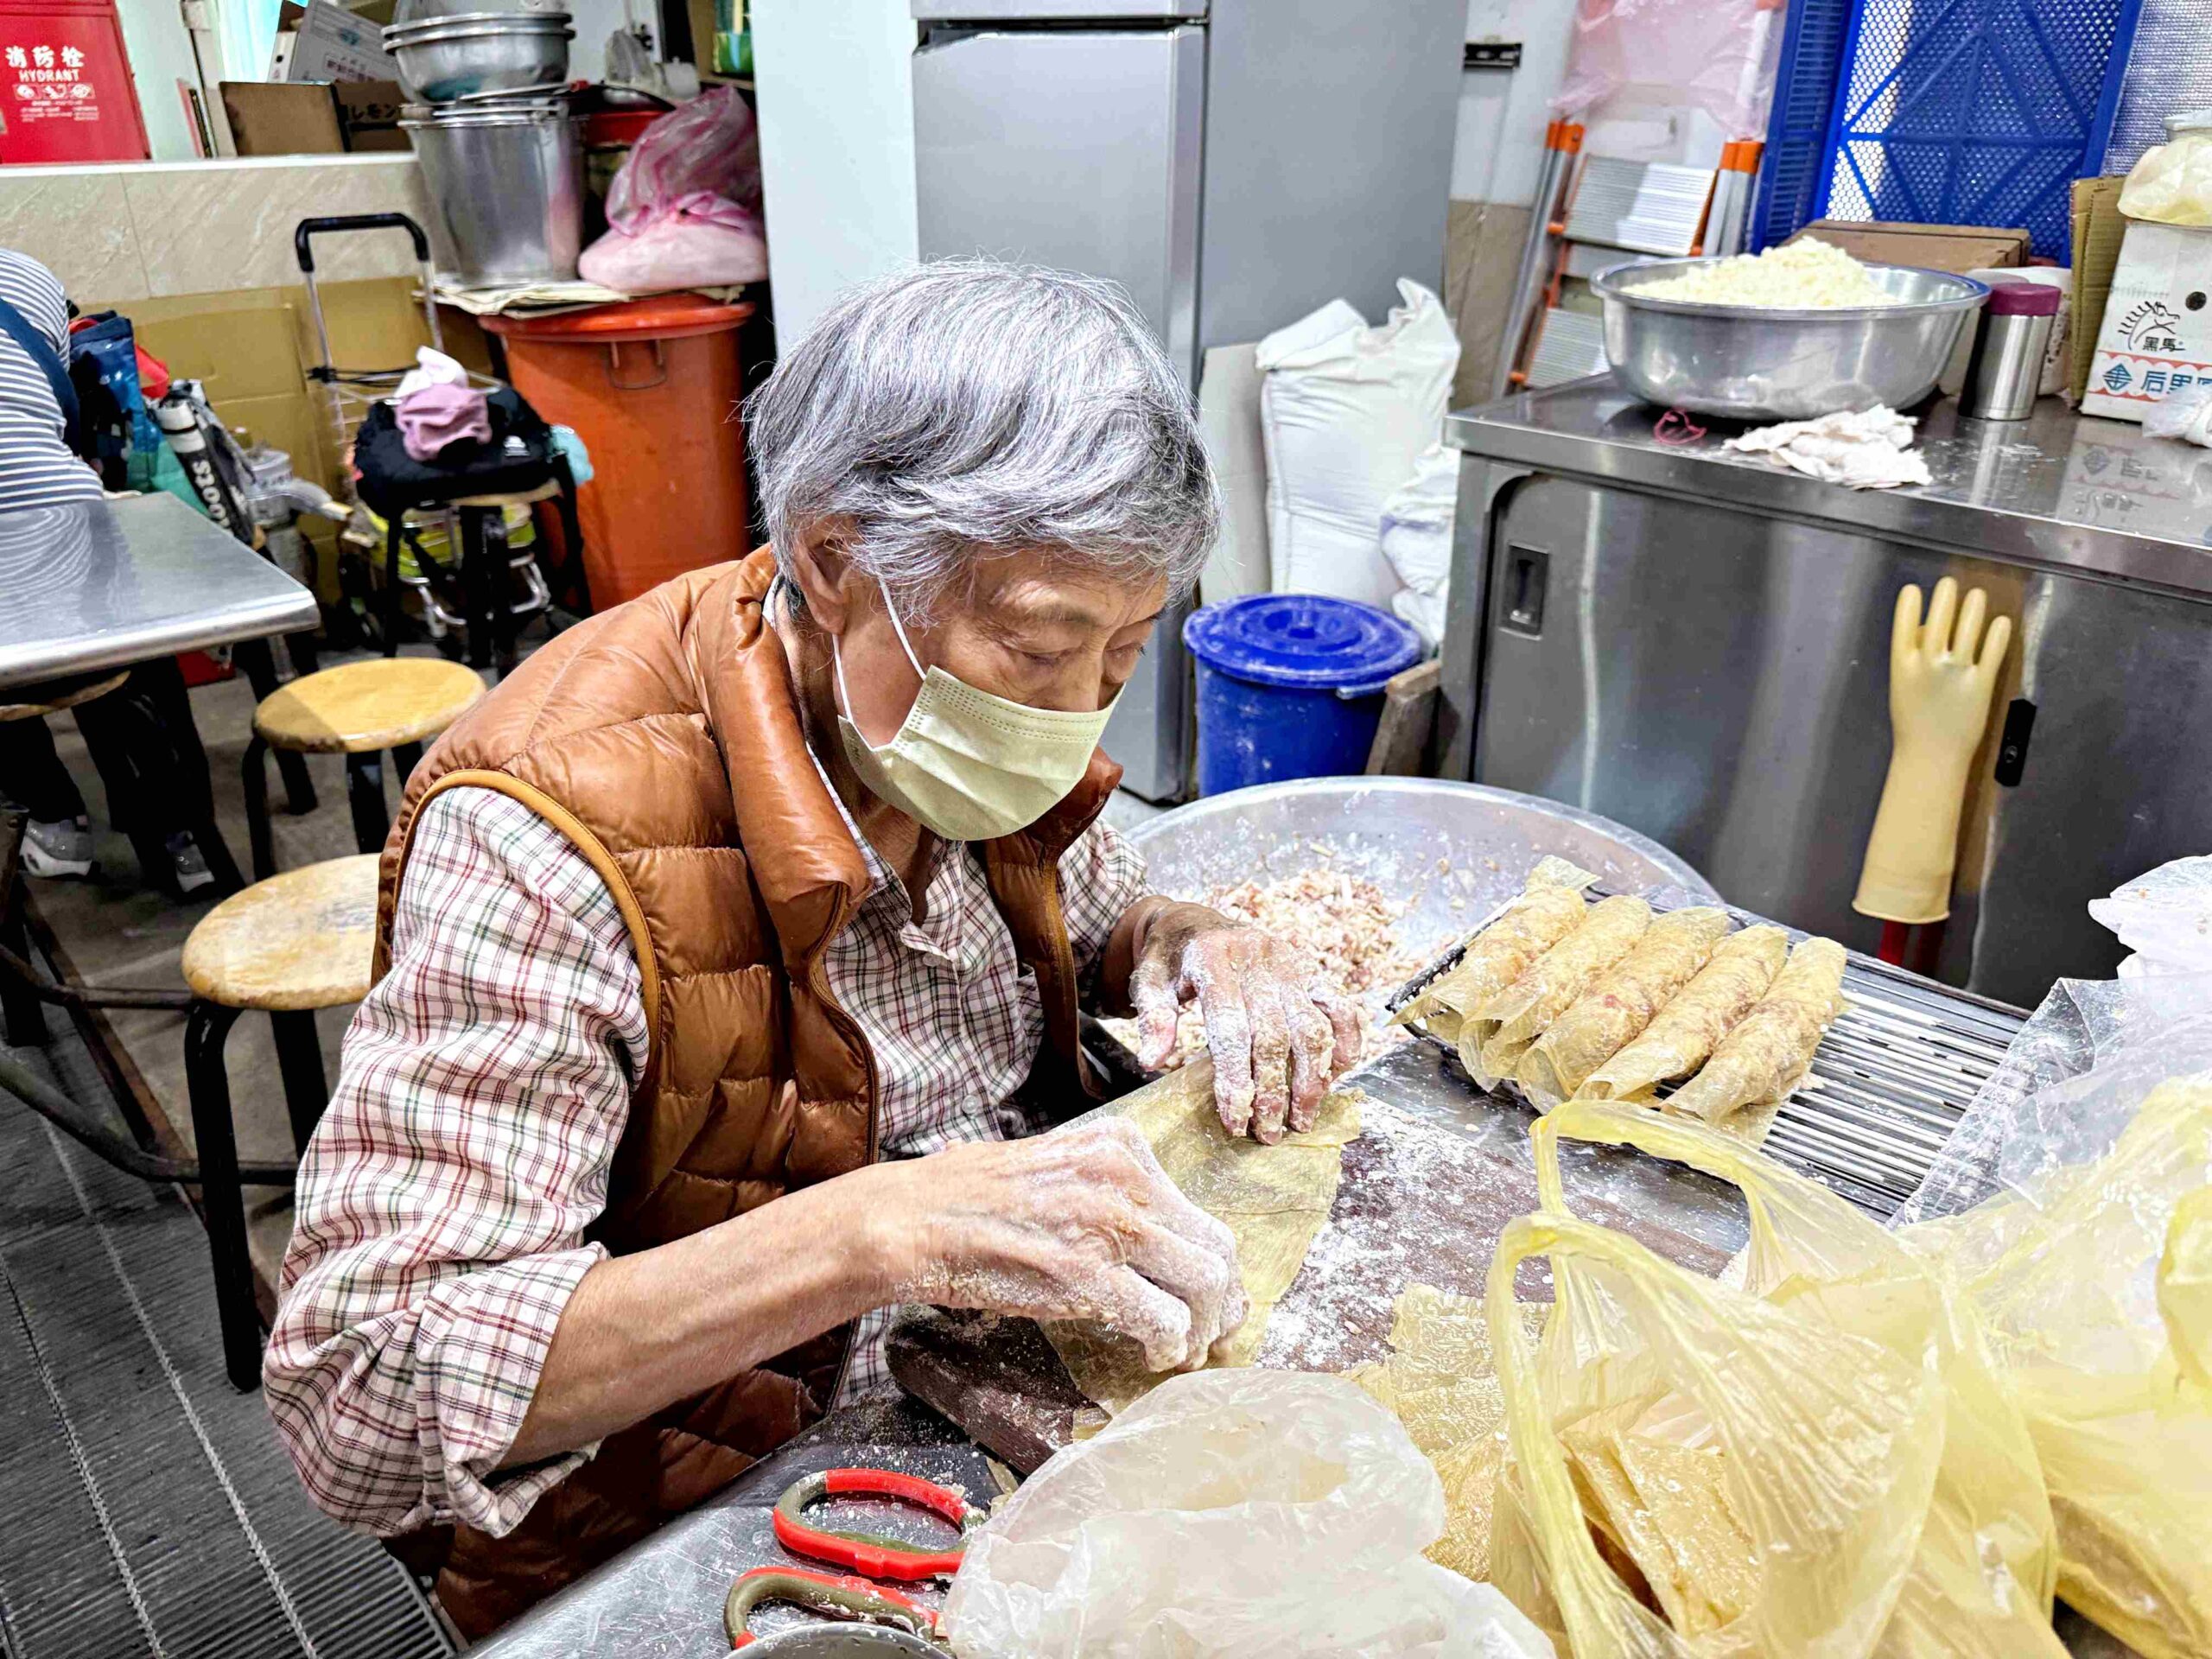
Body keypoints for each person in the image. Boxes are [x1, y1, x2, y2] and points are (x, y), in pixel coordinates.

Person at [266, 262, 1360, 1635]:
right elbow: (361, 1395)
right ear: (837, 563)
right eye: (1038, 650)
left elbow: (1095, 927)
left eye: (1126, 655)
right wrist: (869, 1233)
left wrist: (1190, 940)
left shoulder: (939, 733)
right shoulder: (546, 846)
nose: (1075, 715)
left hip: (979, 1407)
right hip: (704, 1501)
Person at [0, 247, 217, 893]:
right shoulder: (27, 275)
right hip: (75, 541)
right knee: (130, 661)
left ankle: (55, 825)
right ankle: (186, 840)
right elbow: (58, 417)